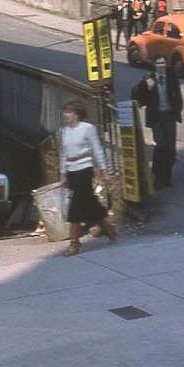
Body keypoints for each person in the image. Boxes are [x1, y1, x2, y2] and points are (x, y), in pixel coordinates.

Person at [60, 99, 117, 256]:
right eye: (65, 112)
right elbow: (63, 153)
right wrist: (63, 173)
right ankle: (109, 228)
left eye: (69, 112)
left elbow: (97, 149)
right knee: (89, 203)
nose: (66, 115)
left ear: (77, 114)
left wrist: (104, 170)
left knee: (75, 206)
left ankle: (74, 243)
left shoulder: (87, 129)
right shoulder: (64, 131)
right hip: (71, 171)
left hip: (84, 169)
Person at [133, 55, 183, 189]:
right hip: (156, 117)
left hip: (169, 116)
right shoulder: (148, 79)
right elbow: (137, 97)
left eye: (163, 63)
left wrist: (176, 110)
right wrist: (147, 88)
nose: (161, 65)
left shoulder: (171, 78)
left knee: (170, 149)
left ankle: (167, 177)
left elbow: (178, 96)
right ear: (154, 65)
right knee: (161, 146)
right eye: (158, 63)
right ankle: (156, 176)